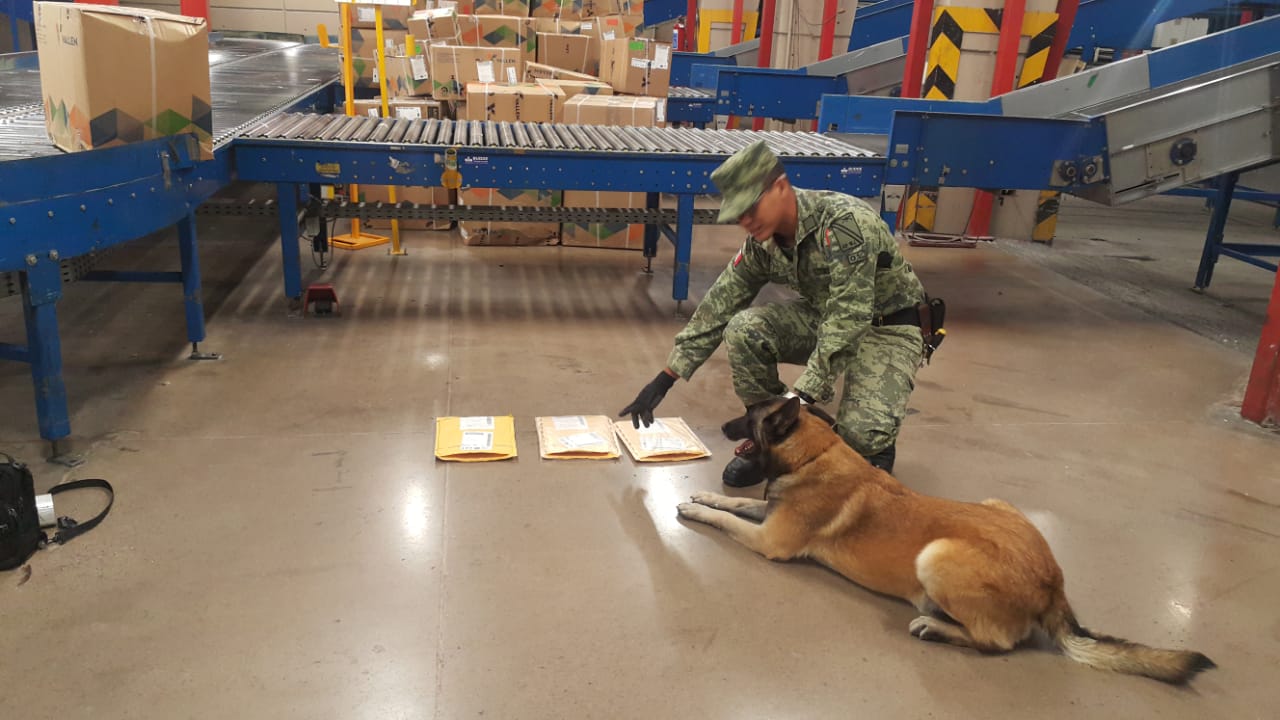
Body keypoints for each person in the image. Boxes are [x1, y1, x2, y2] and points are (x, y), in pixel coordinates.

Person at [619, 140, 939, 486]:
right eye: (738, 214)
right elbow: (721, 302)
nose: (744, 221)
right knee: (744, 329)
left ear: (780, 187)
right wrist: (667, 376)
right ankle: (770, 440)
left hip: (887, 328)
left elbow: (849, 316)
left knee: (859, 442)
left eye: (750, 208)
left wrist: (799, 399)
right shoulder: (763, 243)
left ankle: (872, 447)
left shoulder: (845, 224)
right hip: (823, 319)